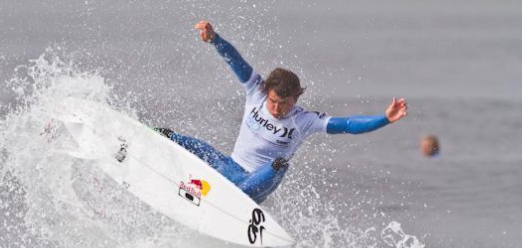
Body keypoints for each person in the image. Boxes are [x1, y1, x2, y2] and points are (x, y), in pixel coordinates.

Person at [156, 20, 408, 203]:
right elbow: (235, 60)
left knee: (278, 165)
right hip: (229, 165)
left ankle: (229, 200)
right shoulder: (256, 91)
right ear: (268, 92)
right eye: (274, 101)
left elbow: (349, 124)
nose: (276, 109)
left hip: (256, 181)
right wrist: (215, 39)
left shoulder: (304, 120)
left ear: (295, 98)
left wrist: (384, 118)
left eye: (284, 103)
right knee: (180, 141)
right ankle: (155, 139)